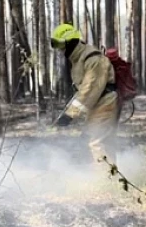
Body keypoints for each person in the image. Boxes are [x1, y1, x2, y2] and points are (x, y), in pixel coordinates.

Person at [51, 23, 119, 166]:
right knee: (98, 140)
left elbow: (90, 90)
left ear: (70, 42)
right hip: (98, 103)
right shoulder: (79, 58)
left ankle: (106, 181)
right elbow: (83, 91)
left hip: (105, 103)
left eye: (62, 46)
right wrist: (67, 112)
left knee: (96, 141)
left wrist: (70, 115)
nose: (61, 51)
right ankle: (107, 176)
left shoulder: (93, 59)